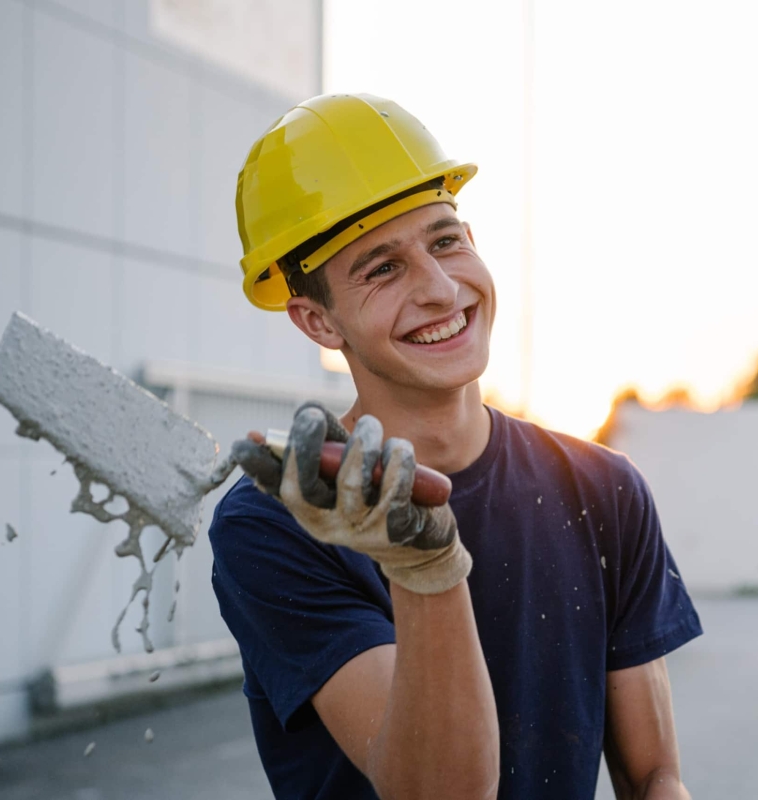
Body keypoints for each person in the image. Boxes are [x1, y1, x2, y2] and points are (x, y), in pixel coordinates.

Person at [208, 93, 702, 799]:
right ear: (317, 320)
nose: (442, 289)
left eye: (446, 241)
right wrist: (423, 566)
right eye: (382, 268)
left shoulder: (602, 489)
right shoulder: (278, 523)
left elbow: (655, 775)